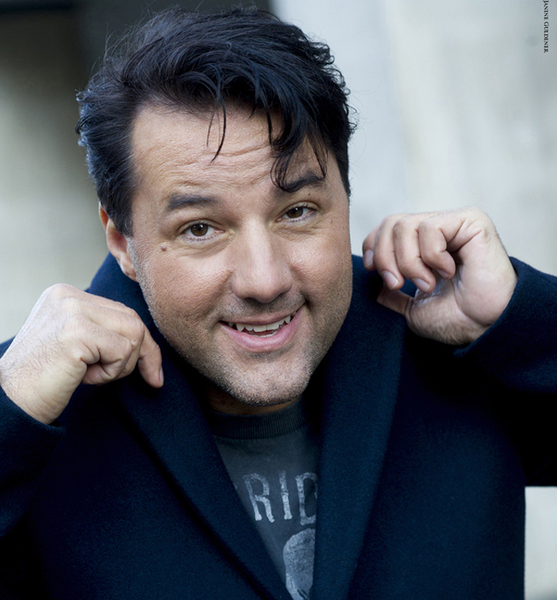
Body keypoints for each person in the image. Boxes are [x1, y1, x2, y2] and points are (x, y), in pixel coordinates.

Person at [0, 8, 555, 600]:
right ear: (123, 242)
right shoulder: (39, 415)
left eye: (297, 212)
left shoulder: (463, 352)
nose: (263, 281)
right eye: (200, 228)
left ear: (346, 198)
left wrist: (524, 321)